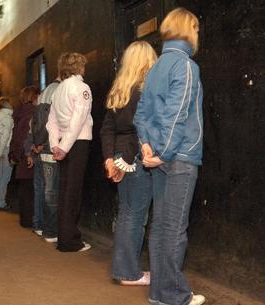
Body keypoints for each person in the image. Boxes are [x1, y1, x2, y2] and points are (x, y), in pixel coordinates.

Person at [133, 8, 205, 305]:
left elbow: (141, 115)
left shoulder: (156, 67)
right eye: (196, 28)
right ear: (187, 29)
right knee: (174, 228)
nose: (198, 33)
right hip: (179, 156)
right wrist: (163, 152)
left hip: (159, 158)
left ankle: (159, 293)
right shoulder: (186, 66)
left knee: (161, 225)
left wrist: (147, 146)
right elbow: (177, 115)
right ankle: (175, 295)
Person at [100, 41, 157, 286]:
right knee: (135, 215)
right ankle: (129, 273)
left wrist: (109, 159)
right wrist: (123, 162)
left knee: (127, 213)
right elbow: (138, 130)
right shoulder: (145, 90)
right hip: (134, 158)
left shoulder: (119, 90)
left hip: (120, 155)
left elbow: (107, 129)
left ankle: (124, 269)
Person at [46, 52, 93, 252]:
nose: (85, 68)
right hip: (78, 143)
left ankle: (64, 236)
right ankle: (69, 241)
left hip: (64, 144)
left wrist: (55, 145)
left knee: (65, 191)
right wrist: (64, 148)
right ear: (78, 66)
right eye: (83, 65)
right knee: (73, 193)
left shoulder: (58, 90)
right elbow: (78, 121)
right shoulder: (82, 88)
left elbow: (52, 122)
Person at [27, 53, 66, 242]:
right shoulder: (58, 90)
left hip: (43, 146)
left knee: (42, 188)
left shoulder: (46, 90)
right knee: (51, 190)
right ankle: (50, 230)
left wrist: (36, 142)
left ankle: (40, 225)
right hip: (51, 147)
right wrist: (41, 141)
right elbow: (43, 120)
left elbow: (36, 119)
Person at [9, 86, 40, 228]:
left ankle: (25, 219)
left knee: (24, 188)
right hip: (28, 154)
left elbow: (15, 134)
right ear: (34, 97)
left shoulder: (19, 112)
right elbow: (25, 135)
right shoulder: (31, 112)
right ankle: (29, 219)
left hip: (20, 153)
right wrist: (29, 153)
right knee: (30, 189)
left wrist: (13, 153)